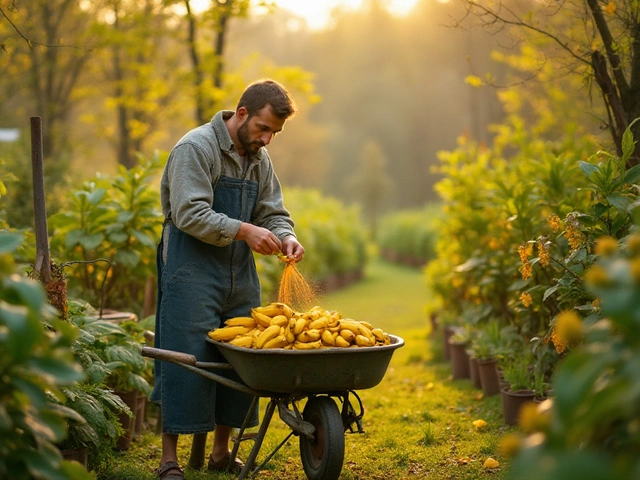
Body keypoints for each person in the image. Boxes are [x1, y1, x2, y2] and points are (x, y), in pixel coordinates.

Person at [151, 79, 305, 480]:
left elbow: (272, 210)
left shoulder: (259, 158)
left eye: (275, 133)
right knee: (184, 355)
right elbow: (188, 213)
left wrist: (286, 234)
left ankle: (221, 451)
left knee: (239, 355)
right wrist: (244, 230)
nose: (268, 139)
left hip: (238, 271)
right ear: (241, 114)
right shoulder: (196, 149)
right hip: (191, 268)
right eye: (263, 128)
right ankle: (169, 459)